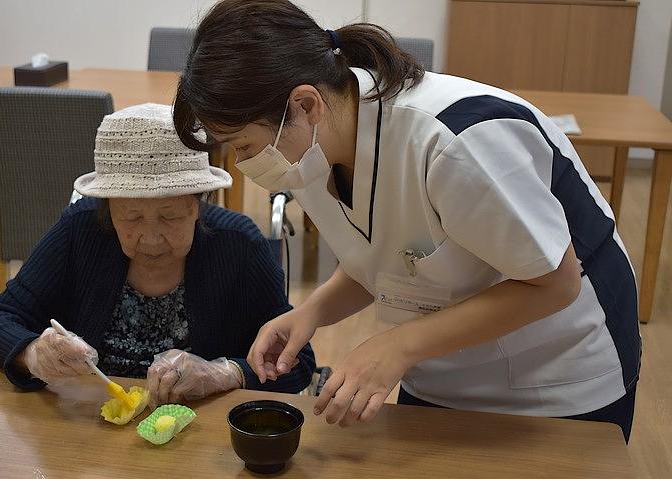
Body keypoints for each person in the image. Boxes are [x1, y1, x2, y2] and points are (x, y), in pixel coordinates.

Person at [172, 0, 640, 441]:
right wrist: (311, 313)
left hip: (558, 378)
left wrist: (398, 345)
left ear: (305, 104)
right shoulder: (311, 147)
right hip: (439, 363)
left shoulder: (456, 142)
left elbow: (555, 284)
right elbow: (389, 253)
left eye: (243, 144)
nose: (242, 162)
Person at [0, 103, 315, 408]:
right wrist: (32, 353)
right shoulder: (80, 230)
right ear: (108, 209)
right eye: (132, 217)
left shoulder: (237, 244)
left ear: (198, 205)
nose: (151, 238)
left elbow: (298, 361)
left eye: (169, 216)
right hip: (89, 432)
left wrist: (223, 373)